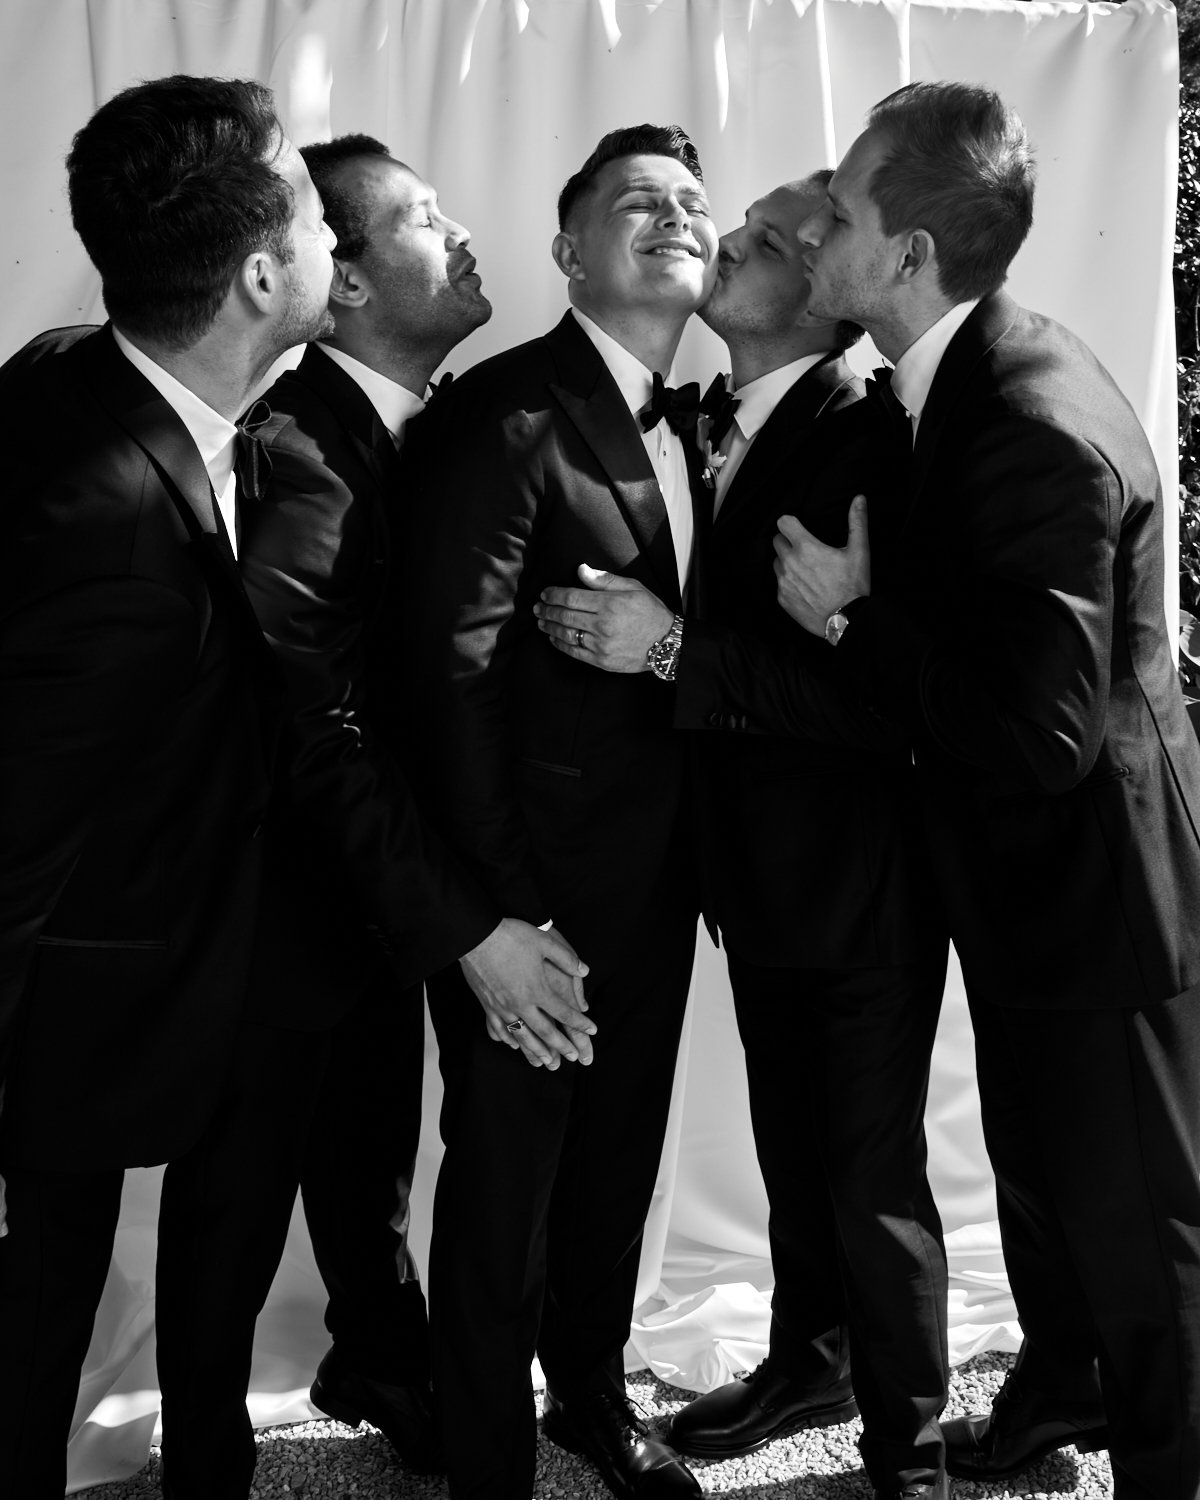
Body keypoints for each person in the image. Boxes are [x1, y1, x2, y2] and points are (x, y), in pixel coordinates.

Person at [754, 81, 1200, 1500]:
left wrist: (846, 616)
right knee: (1055, 1190)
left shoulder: (1020, 415)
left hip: (1100, 902)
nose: (819, 223)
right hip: (1031, 893)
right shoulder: (957, 380)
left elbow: (1043, 728)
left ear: (907, 258)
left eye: (843, 208)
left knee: (1143, 1235)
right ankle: (1056, 1399)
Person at [536, 173, 951, 1500]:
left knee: (871, 1174)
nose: (732, 245)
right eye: (746, 225)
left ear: (824, 307)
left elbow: (876, 699)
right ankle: (810, 1358)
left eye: (771, 241)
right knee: (793, 1146)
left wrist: (671, 650)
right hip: (755, 872)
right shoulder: (717, 413)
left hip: (858, 872)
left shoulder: (866, 438)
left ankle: (914, 1454)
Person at [0, 76, 335, 1500]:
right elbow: (18, 826)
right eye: (320, 214)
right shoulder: (102, 523)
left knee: (221, 1250)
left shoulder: (68, 364)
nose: (340, 239)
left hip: (240, 951)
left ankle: (212, 1459)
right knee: (39, 1298)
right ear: (260, 272)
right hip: (88, 987)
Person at [238, 133, 593, 1474]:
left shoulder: (450, 428)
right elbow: (314, 732)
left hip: (401, 889)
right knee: (304, 1150)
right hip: (300, 904)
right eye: (424, 219)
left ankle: (387, 1353)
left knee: (375, 1133)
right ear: (342, 287)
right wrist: (467, 927)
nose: (461, 234)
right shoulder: (300, 455)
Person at [395, 124, 718, 1499]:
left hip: (662, 879)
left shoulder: (708, 413)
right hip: (531, 893)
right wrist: (502, 907)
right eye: (636, 201)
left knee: (619, 1163)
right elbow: (445, 674)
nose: (674, 215)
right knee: (503, 1184)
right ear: (569, 250)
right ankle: (484, 1454)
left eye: (692, 202)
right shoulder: (503, 409)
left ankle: (591, 1393)